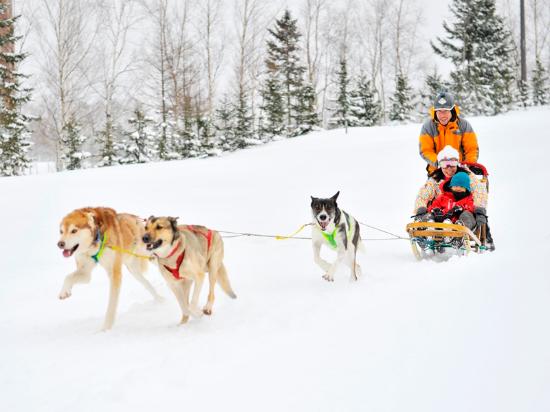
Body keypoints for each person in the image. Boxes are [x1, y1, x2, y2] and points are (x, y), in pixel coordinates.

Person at [413, 146, 495, 251]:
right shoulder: (436, 179)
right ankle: (425, 232)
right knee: (430, 214)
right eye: (444, 165)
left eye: (452, 164)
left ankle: (463, 235)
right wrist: (421, 209)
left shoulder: (467, 176)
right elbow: (423, 194)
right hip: (442, 213)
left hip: (462, 211)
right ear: (439, 165)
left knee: (468, 216)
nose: (448, 168)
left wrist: (479, 210)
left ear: (457, 164)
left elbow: (479, 192)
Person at [419, 92, 479, 175]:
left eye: (446, 111)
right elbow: (425, 151)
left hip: (460, 171)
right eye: (439, 111)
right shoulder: (428, 127)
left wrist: (470, 164)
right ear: (434, 111)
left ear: (452, 110)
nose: (442, 115)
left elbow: (471, 148)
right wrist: (441, 163)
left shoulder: (463, 125)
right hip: (436, 171)